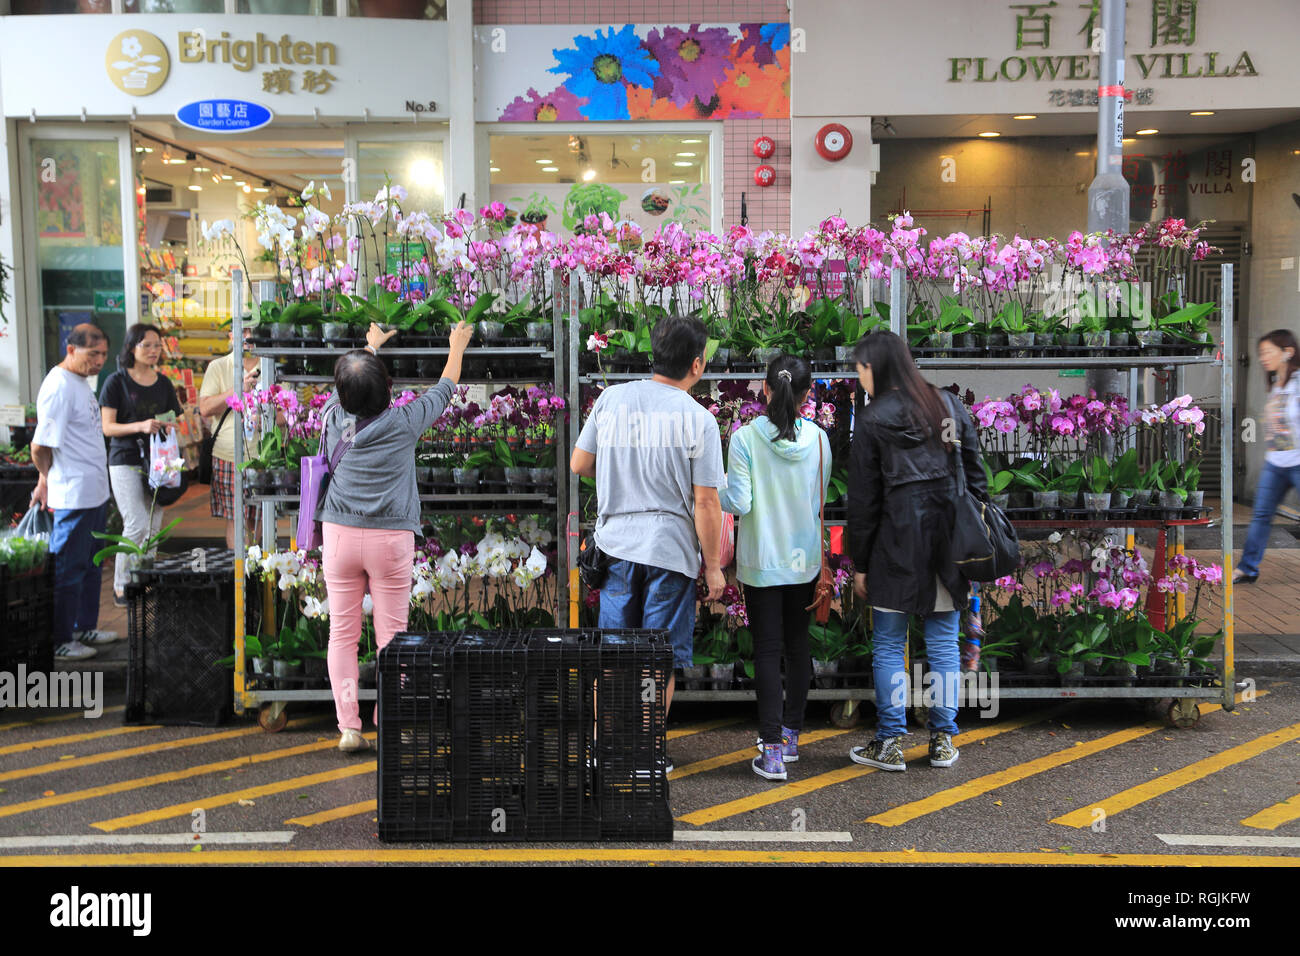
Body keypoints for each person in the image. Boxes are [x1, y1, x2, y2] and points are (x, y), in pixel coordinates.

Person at [570, 315, 726, 771]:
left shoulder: (612, 399)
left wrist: (622, 479)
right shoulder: (698, 419)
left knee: (616, 651)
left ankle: (604, 747)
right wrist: (713, 566)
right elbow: (706, 502)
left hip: (616, 545)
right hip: (669, 550)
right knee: (658, 657)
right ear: (696, 365)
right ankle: (644, 750)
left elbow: (581, 462)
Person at [319, 320, 473, 753]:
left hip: (341, 537)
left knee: (342, 634)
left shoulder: (333, 417)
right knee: (393, 637)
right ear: (390, 390)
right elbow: (446, 386)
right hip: (390, 540)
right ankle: (387, 721)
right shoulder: (405, 421)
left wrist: (368, 346)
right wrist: (456, 345)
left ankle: (349, 726)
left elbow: (351, 385)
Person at [846, 330, 986, 771]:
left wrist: (861, 563)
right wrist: (973, 534)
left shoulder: (871, 420)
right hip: (947, 542)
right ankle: (943, 740)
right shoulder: (947, 405)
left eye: (861, 368)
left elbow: (864, 502)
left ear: (877, 367)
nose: (859, 377)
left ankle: (889, 743)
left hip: (894, 543)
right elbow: (976, 477)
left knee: (889, 644)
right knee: (943, 642)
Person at [718, 355, 830, 782]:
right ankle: (791, 736)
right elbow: (819, 501)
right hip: (804, 562)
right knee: (798, 648)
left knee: (767, 650)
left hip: (762, 562)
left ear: (764, 390)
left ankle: (772, 755)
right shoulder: (819, 439)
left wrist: (718, 490)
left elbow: (740, 503)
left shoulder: (744, 439)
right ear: (806, 397)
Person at [30, 324, 121, 660]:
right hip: (73, 496)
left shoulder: (80, 381)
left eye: (102, 355)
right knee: (69, 569)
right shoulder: (58, 386)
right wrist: (46, 478)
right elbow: (39, 446)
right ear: (71, 349)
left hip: (93, 493)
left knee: (92, 564)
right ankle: (61, 638)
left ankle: (84, 626)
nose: (98, 361)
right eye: (91, 354)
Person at [99, 323, 183, 607]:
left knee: (154, 523)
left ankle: (143, 580)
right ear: (131, 347)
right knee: (135, 522)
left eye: (157, 345)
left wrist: (175, 426)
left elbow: (176, 418)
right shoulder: (116, 382)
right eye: (146, 345)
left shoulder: (163, 383)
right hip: (125, 459)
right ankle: (122, 584)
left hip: (159, 462)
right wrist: (141, 426)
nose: (153, 351)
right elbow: (108, 428)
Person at [1235, 329, 1300, 584]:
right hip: (1275, 462)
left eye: (1268, 352)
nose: (1263, 358)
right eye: (1261, 353)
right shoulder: (1276, 384)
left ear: (1288, 352)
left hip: (1298, 462)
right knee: (1261, 515)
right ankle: (1248, 568)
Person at [198, 328, 261, 549]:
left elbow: (286, 413)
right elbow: (205, 408)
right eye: (242, 332)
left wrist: (265, 419)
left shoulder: (271, 365)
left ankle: (256, 573)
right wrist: (237, 390)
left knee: (260, 517)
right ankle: (239, 577)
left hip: (264, 457)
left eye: (253, 332)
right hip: (228, 455)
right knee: (237, 519)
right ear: (231, 336)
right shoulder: (218, 366)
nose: (248, 338)